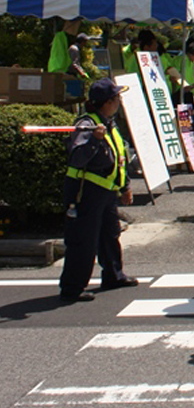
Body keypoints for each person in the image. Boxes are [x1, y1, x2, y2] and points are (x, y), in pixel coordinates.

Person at [59, 79, 139, 304]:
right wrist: (94, 140)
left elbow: (119, 156)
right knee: (83, 240)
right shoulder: (88, 124)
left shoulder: (108, 122)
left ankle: (113, 275)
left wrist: (125, 186)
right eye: (117, 98)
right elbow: (77, 157)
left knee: (110, 235)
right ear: (107, 102)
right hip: (87, 191)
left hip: (106, 191)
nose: (120, 101)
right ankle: (72, 287)